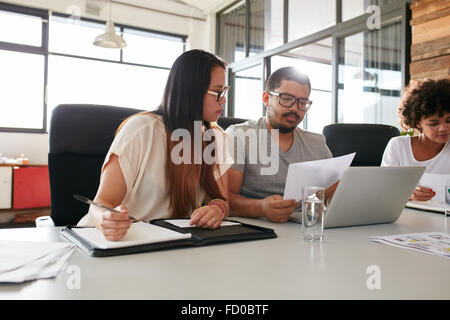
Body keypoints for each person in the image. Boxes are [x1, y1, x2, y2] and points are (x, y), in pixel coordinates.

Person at [77, 49, 233, 240]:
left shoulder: (217, 137)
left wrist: (216, 209)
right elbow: (101, 203)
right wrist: (106, 219)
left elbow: (220, 199)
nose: (224, 99)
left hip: (171, 242)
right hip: (116, 240)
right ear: (192, 90)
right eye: (218, 92)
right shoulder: (141, 130)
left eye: (224, 91)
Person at [225, 67, 334, 223]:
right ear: (266, 98)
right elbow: (223, 199)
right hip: (257, 228)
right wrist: (261, 208)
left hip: (305, 228)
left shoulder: (317, 144)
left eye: (302, 102)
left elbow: (333, 194)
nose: (295, 109)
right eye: (287, 99)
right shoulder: (239, 136)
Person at [381, 77, 450, 201]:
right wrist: (408, 193)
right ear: (418, 123)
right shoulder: (398, 146)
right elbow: (383, 188)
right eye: (433, 123)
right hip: (406, 216)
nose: (443, 128)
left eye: (449, 121)